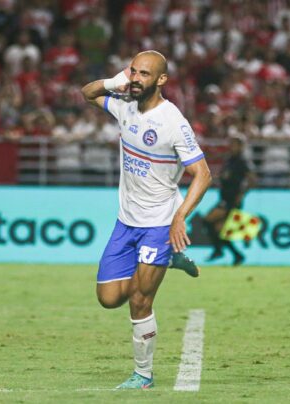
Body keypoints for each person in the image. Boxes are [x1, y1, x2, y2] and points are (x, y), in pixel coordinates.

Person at [81, 50, 212, 388]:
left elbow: (203, 174)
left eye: (144, 74)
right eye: (134, 72)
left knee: (140, 299)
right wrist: (115, 81)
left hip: (159, 223)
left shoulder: (173, 122)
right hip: (126, 221)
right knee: (108, 299)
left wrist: (180, 217)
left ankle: (143, 374)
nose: (136, 78)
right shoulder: (124, 104)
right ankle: (168, 261)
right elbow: (88, 93)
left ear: (162, 80)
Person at [203, 135, 255, 266]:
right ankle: (237, 255)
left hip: (231, 200)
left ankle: (218, 250)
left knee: (207, 221)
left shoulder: (242, 161)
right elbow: (225, 176)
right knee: (219, 231)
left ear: (241, 147)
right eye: (231, 144)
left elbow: (252, 180)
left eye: (234, 145)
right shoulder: (229, 160)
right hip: (224, 198)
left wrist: (242, 194)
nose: (232, 147)